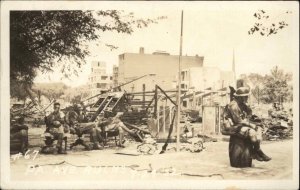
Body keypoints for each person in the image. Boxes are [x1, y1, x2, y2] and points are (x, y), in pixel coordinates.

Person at [224, 87, 271, 162]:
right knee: (252, 132)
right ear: (240, 97)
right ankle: (257, 152)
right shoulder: (233, 105)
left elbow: (249, 113)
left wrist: (251, 119)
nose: (247, 98)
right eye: (245, 96)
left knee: (258, 129)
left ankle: (255, 151)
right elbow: (237, 120)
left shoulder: (242, 105)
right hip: (232, 126)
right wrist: (250, 124)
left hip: (240, 125)